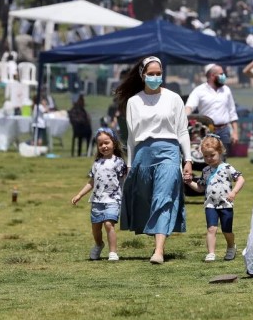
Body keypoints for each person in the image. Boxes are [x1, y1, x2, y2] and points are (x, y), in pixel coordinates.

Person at [116, 56, 192, 264]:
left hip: (169, 151)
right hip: (142, 153)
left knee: (163, 196)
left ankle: (159, 250)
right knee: (146, 198)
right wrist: (130, 164)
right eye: (151, 74)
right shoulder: (133, 102)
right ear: (143, 75)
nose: (156, 77)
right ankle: (155, 231)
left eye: (159, 73)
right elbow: (131, 137)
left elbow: (182, 130)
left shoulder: (174, 98)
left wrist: (188, 159)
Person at [184, 135, 245, 262]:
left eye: (212, 155)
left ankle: (231, 246)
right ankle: (211, 253)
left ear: (220, 152)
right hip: (210, 205)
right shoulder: (205, 170)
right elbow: (201, 188)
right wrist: (189, 183)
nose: (209, 158)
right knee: (211, 229)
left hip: (226, 205)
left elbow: (240, 179)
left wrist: (234, 192)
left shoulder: (227, 168)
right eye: (205, 156)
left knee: (226, 230)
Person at [71, 128, 127, 262]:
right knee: (96, 228)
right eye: (100, 144)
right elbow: (91, 182)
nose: (104, 146)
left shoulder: (119, 162)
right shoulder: (96, 163)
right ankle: (98, 244)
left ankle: (113, 252)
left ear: (113, 143)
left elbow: (125, 180)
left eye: (106, 143)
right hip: (97, 200)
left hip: (113, 199)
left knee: (109, 224)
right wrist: (80, 195)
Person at [185, 64, 238, 154]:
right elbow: (189, 106)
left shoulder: (226, 90)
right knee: (208, 157)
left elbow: (232, 112)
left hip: (224, 130)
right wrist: (184, 119)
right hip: (207, 130)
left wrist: (235, 132)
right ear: (212, 76)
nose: (224, 76)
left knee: (222, 158)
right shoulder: (199, 90)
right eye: (221, 74)